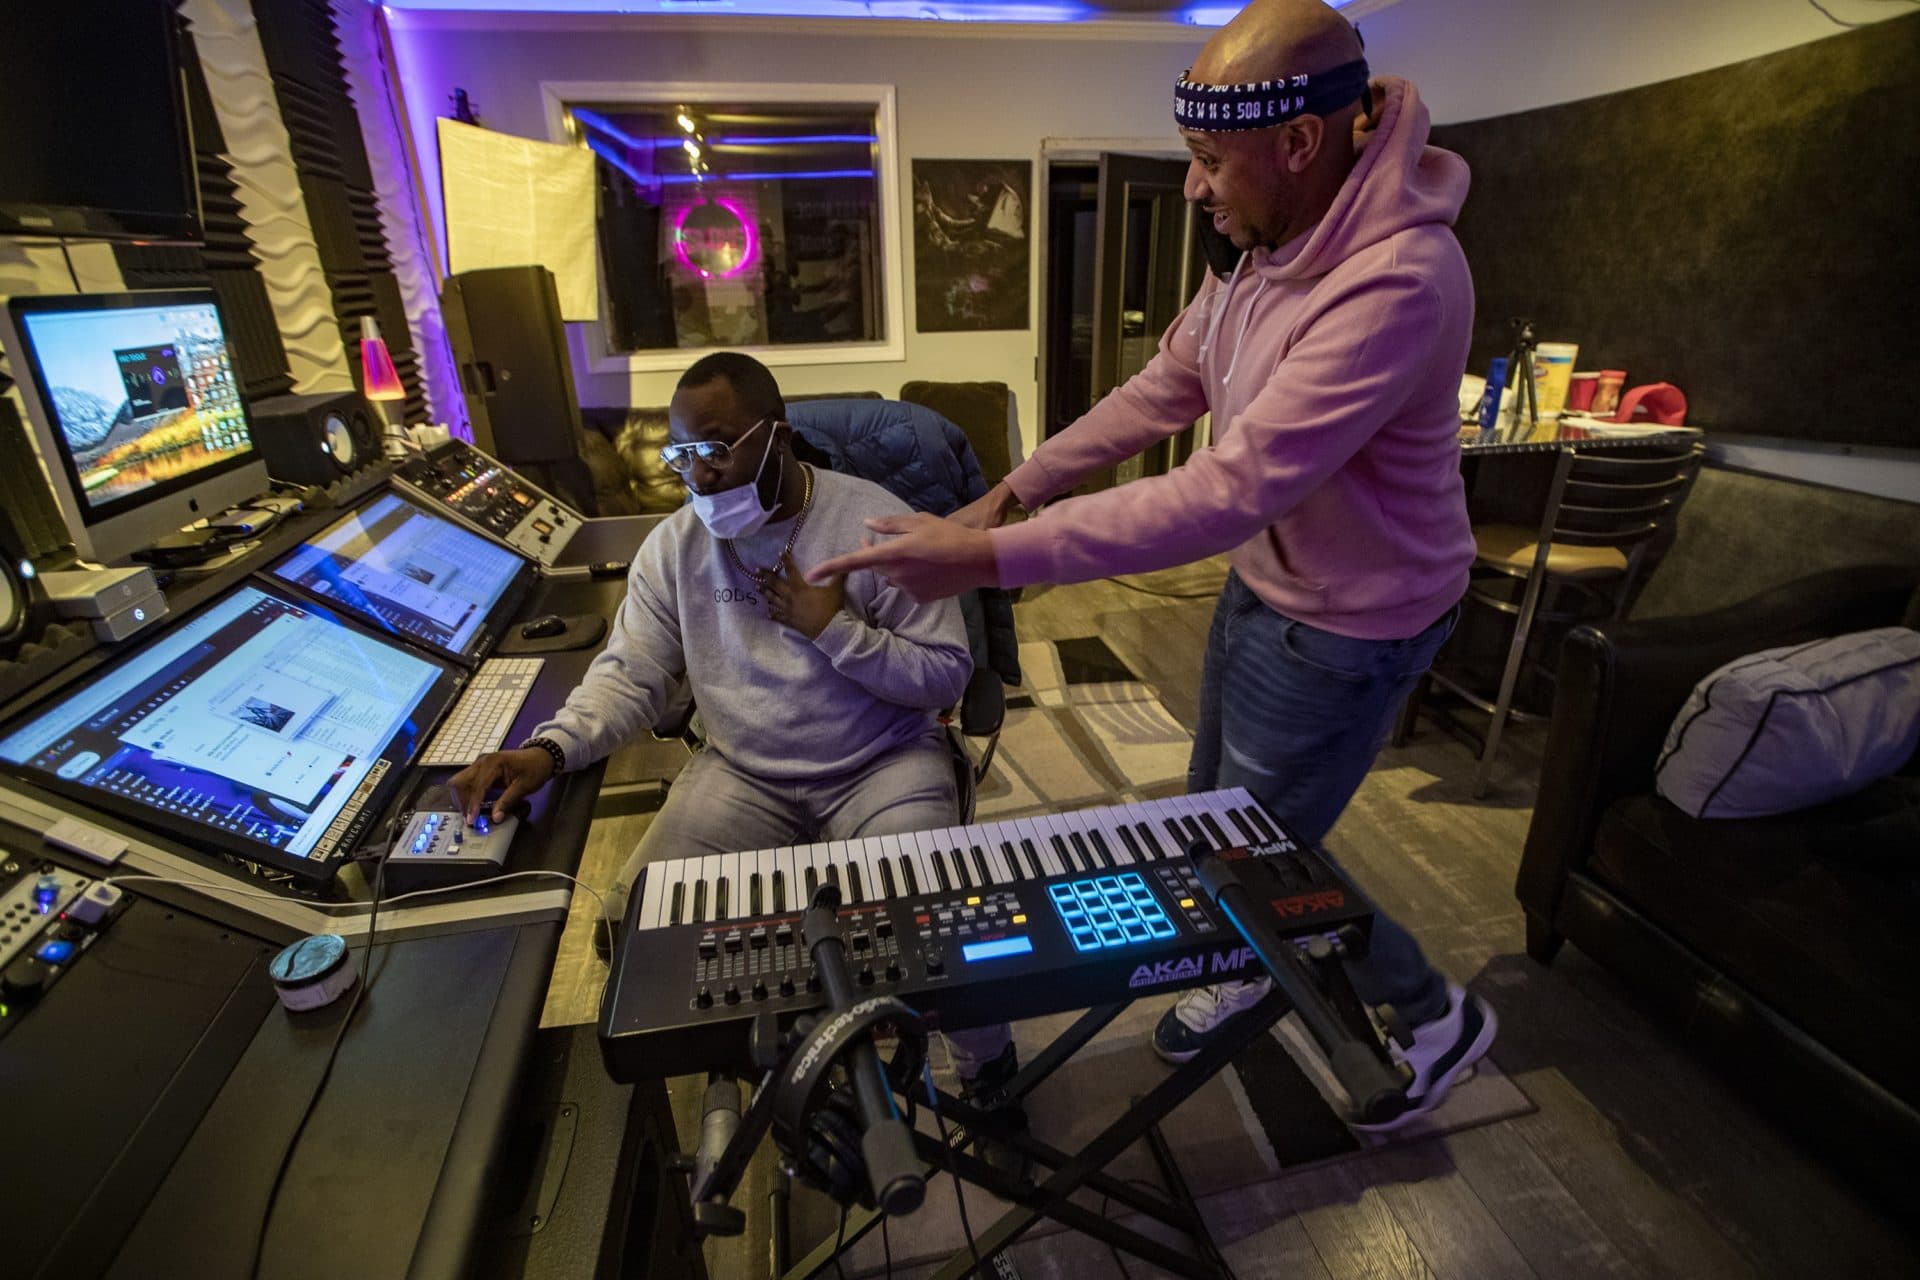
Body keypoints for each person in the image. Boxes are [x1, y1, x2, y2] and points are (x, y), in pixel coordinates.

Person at [808, 0, 1495, 1129]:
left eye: (1211, 161)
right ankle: (1253, 945)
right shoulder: (1262, 248)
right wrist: (1012, 488)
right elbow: (1162, 389)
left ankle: (1431, 1015)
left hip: (1351, 622)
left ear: (1301, 143)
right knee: (1221, 819)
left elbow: (1225, 492)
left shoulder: (1400, 281)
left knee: (1272, 852)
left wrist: (985, 554)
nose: (1194, 188)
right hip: (1277, 589)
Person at [449, 351, 1017, 1094]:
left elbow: (944, 673)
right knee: (636, 926)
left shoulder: (875, 523)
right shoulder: (675, 548)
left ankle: (989, 1070)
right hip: (746, 771)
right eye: (681, 454)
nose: (698, 474)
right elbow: (633, 673)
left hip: (883, 761)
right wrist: (550, 750)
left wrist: (835, 631)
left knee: (934, 925)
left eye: (715, 448)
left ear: (776, 437)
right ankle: (771, 1071)